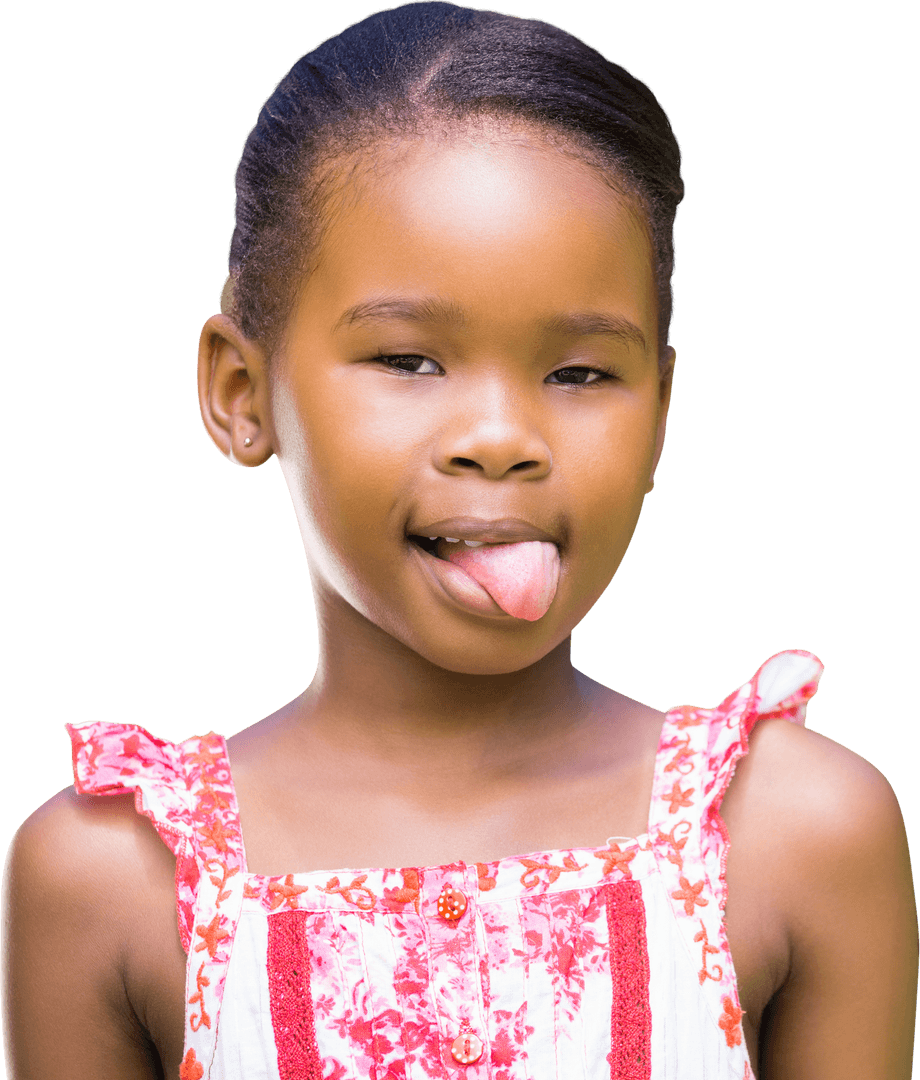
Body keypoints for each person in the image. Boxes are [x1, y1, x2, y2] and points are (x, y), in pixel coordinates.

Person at [2, 2, 916, 1076]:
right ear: (242, 392)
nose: (500, 440)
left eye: (579, 374)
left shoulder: (797, 834)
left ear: (660, 415)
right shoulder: (110, 877)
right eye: (407, 360)